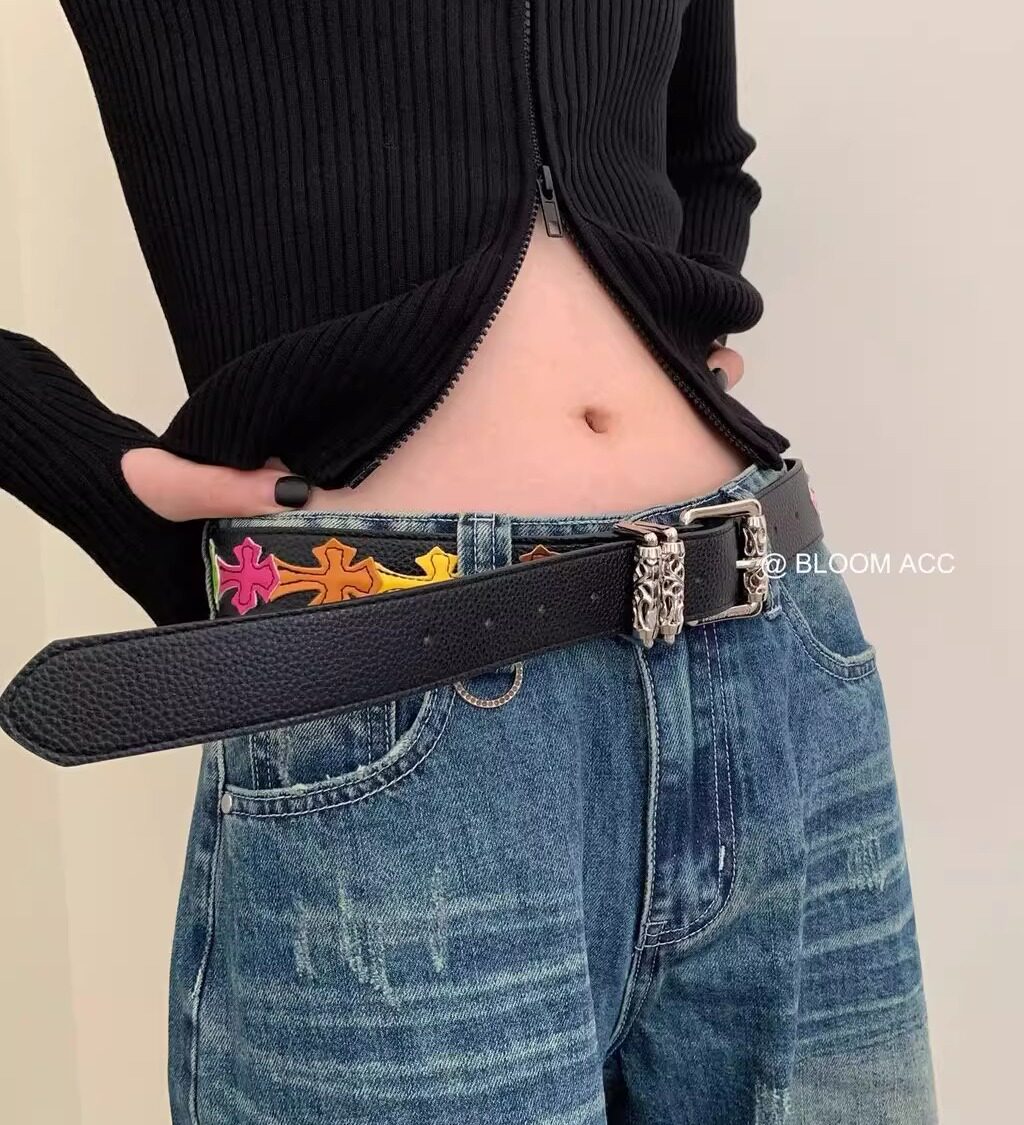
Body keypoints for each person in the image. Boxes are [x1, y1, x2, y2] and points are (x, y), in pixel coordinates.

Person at [0, 2, 938, 1122]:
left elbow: (702, 150)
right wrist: (93, 475)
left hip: (769, 649)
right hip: (397, 682)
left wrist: (668, 337)